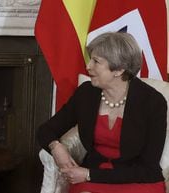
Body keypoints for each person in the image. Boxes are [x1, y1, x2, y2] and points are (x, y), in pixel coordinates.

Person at [38, 32, 167, 193]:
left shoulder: (153, 102)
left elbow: (147, 169)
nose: (88, 66)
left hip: (137, 181)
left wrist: (89, 174)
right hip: (92, 178)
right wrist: (56, 147)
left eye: (96, 61)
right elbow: (45, 130)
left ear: (119, 69)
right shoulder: (86, 94)